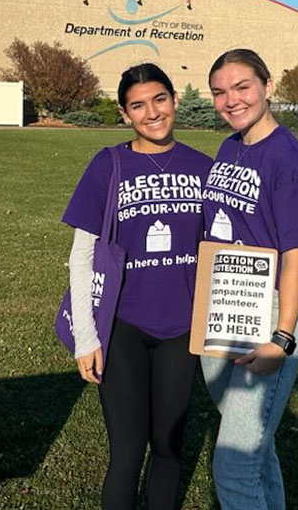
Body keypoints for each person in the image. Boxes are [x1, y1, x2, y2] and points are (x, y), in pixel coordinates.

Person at [62, 63, 214, 510]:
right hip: (122, 326)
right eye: (138, 105)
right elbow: (81, 256)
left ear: (174, 100)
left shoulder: (202, 167)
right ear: (125, 114)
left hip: (180, 331)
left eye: (160, 99)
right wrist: (85, 338)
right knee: (127, 453)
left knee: (167, 449)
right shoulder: (109, 164)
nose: (152, 112)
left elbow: (225, 244)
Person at [200, 48, 298, 510]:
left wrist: (282, 339)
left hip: (268, 312)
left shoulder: (288, 161)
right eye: (219, 92)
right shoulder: (230, 146)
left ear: (267, 87)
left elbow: (296, 258)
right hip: (223, 305)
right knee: (258, 448)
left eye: (242, 87)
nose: (230, 100)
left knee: (233, 466)